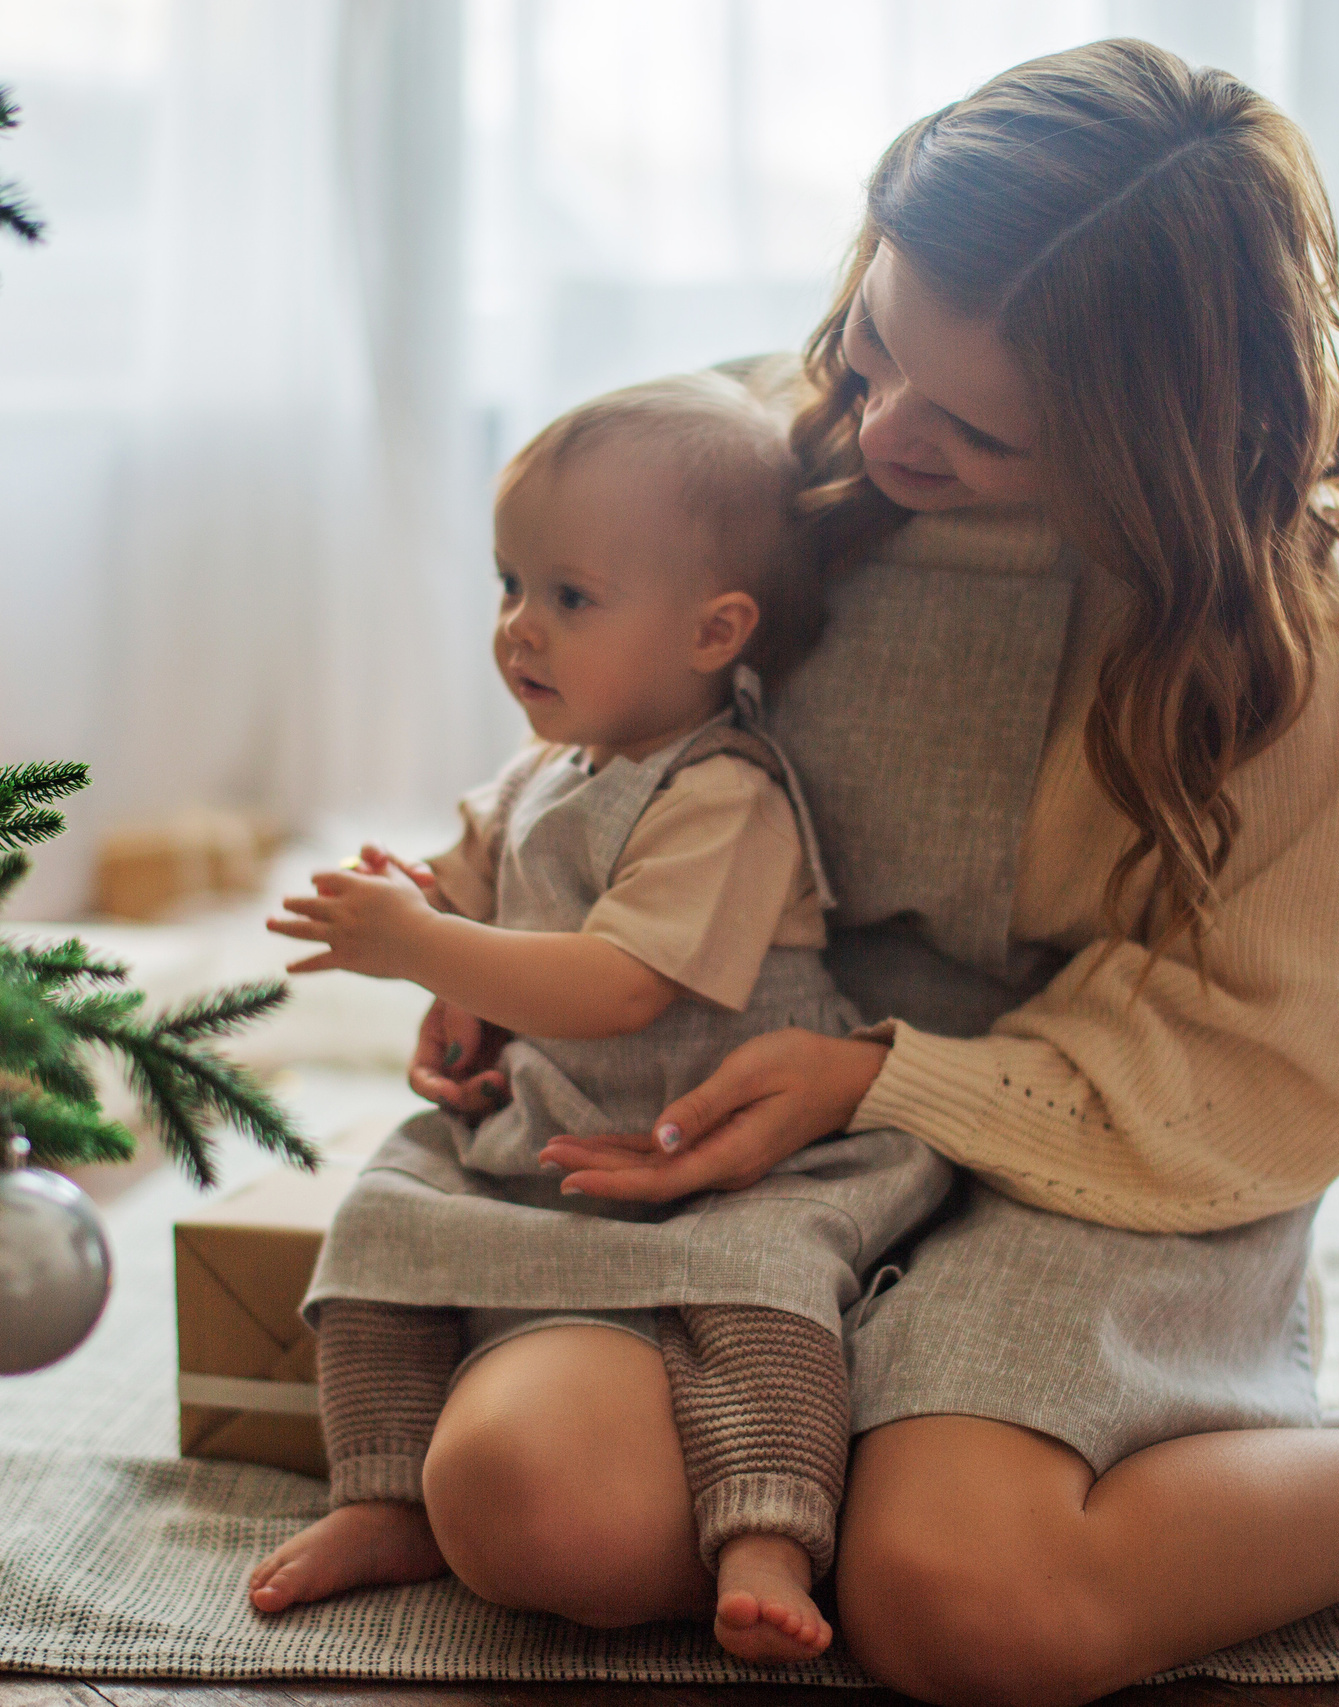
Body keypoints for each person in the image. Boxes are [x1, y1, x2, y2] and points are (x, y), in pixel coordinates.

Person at [402, 41, 1339, 1706]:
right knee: (544, 1516)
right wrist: (483, 935)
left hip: (1080, 1143)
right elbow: (603, 754)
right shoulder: (748, 456)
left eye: (979, 428)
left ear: (1150, 439)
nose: (889, 424)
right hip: (739, 1119)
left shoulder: (1252, 642)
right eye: (878, 340)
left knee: (964, 1607)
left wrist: (883, 1081)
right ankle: (843, 1435)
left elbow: (1257, 1054)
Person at [247, 372, 955, 1663]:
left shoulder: (724, 796)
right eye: (510, 586)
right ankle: (387, 1492)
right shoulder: (536, 780)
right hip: (556, 1148)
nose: (520, 629)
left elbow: (620, 984)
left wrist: (424, 948)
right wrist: (424, 925)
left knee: (767, 1295)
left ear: (711, 631)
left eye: (569, 598)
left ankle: (769, 1531)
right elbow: (474, 891)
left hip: (728, 1158)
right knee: (380, 1228)